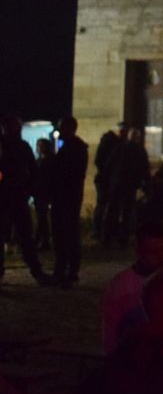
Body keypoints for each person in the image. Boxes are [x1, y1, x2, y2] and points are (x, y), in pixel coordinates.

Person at [101, 220, 163, 354]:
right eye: (153, 252)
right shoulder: (121, 286)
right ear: (138, 250)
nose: (161, 257)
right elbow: (111, 334)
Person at [0, 113, 48, 283]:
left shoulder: (21, 146)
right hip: (8, 196)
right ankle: (36, 271)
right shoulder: (10, 146)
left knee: (25, 236)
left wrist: (29, 189)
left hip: (17, 196)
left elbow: (33, 171)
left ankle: (36, 271)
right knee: (18, 235)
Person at [47, 116, 88, 288]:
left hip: (67, 198)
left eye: (61, 127)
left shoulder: (75, 148)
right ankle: (62, 270)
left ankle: (69, 272)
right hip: (63, 197)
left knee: (68, 234)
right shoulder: (72, 147)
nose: (59, 131)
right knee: (61, 235)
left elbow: (66, 173)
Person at [105, 127, 149, 246]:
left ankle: (109, 236)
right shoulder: (140, 151)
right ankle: (122, 237)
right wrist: (145, 184)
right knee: (126, 212)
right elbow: (145, 169)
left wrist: (109, 180)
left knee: (114, 210)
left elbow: (109, 165)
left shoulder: (120, 148)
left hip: (119, 184)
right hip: (130, 185)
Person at [93, 122, 126, 240]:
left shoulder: (116, 143)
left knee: (110, 206)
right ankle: (101, 231)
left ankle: (106, 231)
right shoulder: (112, 143)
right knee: (105, 205)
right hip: (106, 180)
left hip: (110, 180)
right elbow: (100, 162)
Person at [33, 137, 54, 251]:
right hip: (39, 192)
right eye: (39, 145)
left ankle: (41, 240)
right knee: (41, 217)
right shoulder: (40, 160)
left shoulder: (49, 160)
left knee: (42, 216)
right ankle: (42, 240)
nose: (40, 148)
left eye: (42, 145)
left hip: (44, 191)